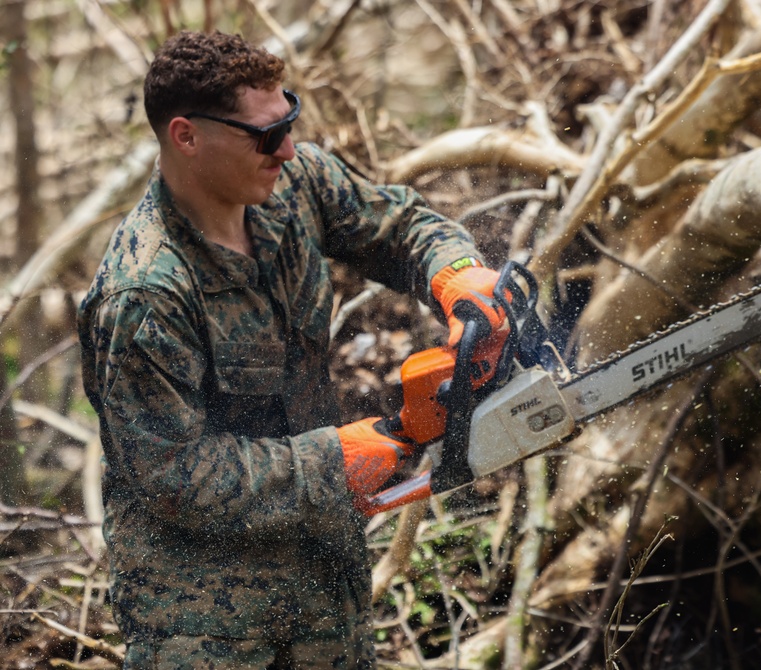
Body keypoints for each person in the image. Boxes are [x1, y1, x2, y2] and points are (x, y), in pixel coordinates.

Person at [78, 30, 508, 668]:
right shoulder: (144, 294)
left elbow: (398, 226)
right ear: (186, 136)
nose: (287, 148)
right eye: (263, 136)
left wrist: (456, 274)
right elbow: (169, 476)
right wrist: (337, 460)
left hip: (324, 582)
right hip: (203, 619)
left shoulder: (293, 183)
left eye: (289, 121)